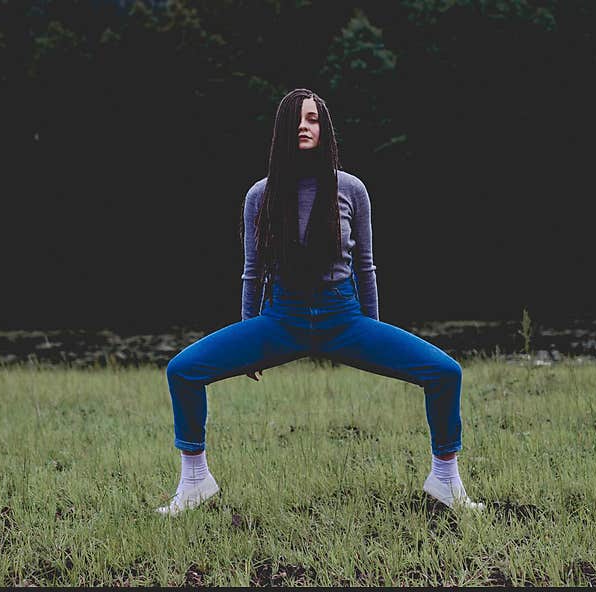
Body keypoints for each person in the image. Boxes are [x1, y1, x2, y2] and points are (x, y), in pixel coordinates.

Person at [158, 88, 484, 516]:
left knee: (445, 373)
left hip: (344, 318)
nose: (303, 126)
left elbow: (365, 266)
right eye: (295, 119)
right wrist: (246, 338)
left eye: (312, 119)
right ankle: (195, 481)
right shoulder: (260, 195)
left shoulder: (351, 189)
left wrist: (374, 332)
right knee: (183, 370)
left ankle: (445, 481)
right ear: (281, 131)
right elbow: (252, 272)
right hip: (281, 319)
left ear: (324, 128)